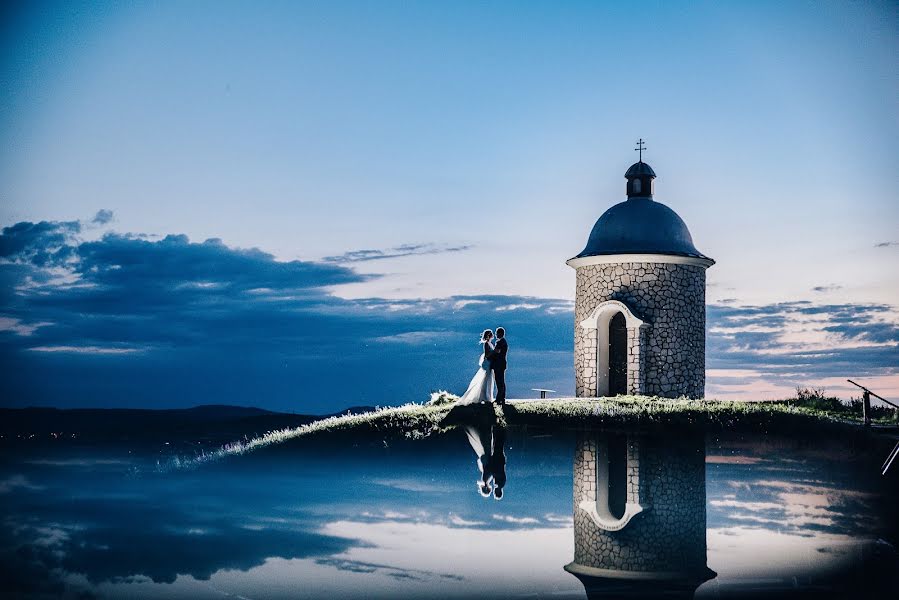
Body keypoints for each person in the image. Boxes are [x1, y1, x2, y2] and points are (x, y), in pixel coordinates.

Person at [456, 329, 495, 405]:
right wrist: (494, 353)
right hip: (488, 363)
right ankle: (485, 397)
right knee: (486, 379)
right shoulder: (486, 344)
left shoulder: (490, 344)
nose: (493, 335)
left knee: (488, 379)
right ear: (489, 336)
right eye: (491, 334)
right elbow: (487, 355)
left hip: (490, 363)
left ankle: (487, 396)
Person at [491, 327, 509, 405]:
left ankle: (499, 399)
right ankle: (502, 398)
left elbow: (496, 352)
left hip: (498, 364)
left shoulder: (500, 343)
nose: (495, 334)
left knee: (499, 381)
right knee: (501, 381)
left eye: (496, 333)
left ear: (500, 333)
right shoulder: (504, 342)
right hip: (502, 364)